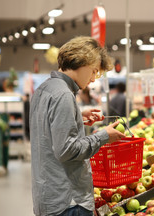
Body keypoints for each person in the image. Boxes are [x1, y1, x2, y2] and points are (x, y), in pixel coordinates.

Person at [29, 36, 126, 216]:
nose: (93, 79)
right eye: (94, 71)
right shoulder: (64, 95)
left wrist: (76, 117)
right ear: (82, 62)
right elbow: (66, 150)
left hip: (47, 195)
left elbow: (46, 129)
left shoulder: (45, 89)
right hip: (68, 202)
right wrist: (104, 136)